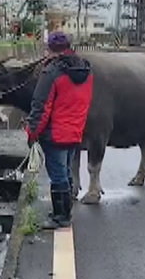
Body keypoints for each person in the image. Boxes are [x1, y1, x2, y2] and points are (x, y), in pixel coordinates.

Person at [23, 31, 93, 230]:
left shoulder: (51, 72)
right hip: (75, 132)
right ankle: (65, 212)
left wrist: (32, 132)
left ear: (49, 49)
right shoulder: (85, 70)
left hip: (55, 135)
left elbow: (41, 107)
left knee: (58, 176)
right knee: (66, 172)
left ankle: (61, 217)